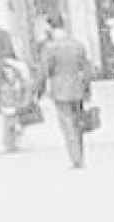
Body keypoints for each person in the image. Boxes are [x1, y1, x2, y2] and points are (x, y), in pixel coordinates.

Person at [31, 13, 96, 170]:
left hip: (60, 90)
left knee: (67, 124)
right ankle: (80, 155)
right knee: (78, 123)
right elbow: (87, 69)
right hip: (78, 88)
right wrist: (87, 89)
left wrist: (37, 92)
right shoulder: (77, 44)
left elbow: (44, 72)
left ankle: (76, 159)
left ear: (50, 28)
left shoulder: (50, 48)